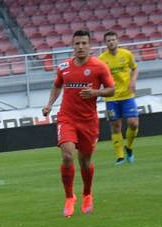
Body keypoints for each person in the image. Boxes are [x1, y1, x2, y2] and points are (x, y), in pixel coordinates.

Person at [42, 29, 114, 217]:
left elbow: (111, 90)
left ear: (89, 45)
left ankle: (87, 194)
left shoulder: (99, 67)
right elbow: (57, 85)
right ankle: (69, 197)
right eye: (77, 44)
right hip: (67, 118)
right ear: (72, 46)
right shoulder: (64, 67)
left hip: (88, 121)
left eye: (84, 43)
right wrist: (49, 104)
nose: (80, 47)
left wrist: (95, 93)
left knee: (85, 161)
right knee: (67, 156)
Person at [99, 31, 139, 165]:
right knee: (116, 126)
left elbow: (135, 68)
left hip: (127, 95)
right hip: (111, 97)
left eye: (113, 40)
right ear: (105, 43)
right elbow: (98, 76)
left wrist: (133, 81)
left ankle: (129, 146)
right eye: (108, 40)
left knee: (133, 123)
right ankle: (120, 156)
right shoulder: (102, 59)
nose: (111, 42)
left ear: (117, 41)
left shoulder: (126, 54)